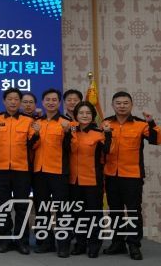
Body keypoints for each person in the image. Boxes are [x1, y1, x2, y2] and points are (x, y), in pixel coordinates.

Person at [102, 91, 159, 260]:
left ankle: (134, 244)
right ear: (113, 105)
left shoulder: (141, 124)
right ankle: (117, 243)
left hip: (132, 175)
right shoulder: (106, 123)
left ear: (131, 105)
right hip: (111, 174)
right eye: (118, 103)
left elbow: (156, 140)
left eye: (125, 103)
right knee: (115, 211)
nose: (122, 106)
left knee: (133, 211)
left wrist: (151, 122)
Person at [0, 88, 36, 255]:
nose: (12, 102)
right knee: (3, 206)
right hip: (1, 169)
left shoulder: (28, 121)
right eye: (9, 99)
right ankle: (4, 240)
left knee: (21, 207)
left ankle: (22, 241)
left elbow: (34, 145)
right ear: (4, 101)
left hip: (21, 170)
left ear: (20, 102)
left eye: (16, 99)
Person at [31, 88, 72, 257]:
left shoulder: (66, 122)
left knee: (62, 209)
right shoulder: (36, 123)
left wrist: (67, 133)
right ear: (43, 102)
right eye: (47, 99)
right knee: (42, 209)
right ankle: (46, 242)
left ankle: (63, 245)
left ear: (59, 102)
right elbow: (30, 146)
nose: (51, 102)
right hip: (39, 171)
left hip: (58, 172)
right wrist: (35, 134)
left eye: (54, 99)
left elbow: (71, 148)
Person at [69, 101, 111, 258]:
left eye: (88, 113)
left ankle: (94, 244)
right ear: (76, 115)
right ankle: (80, 243)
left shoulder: (98, 133)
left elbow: (108, 151)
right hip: (74, 180)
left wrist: (108, 134)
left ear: (93, 116)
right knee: (77, 214)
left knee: (94, 214)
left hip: (93, 180)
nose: (84, 115)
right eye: (81, 113)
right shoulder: (71, 132)